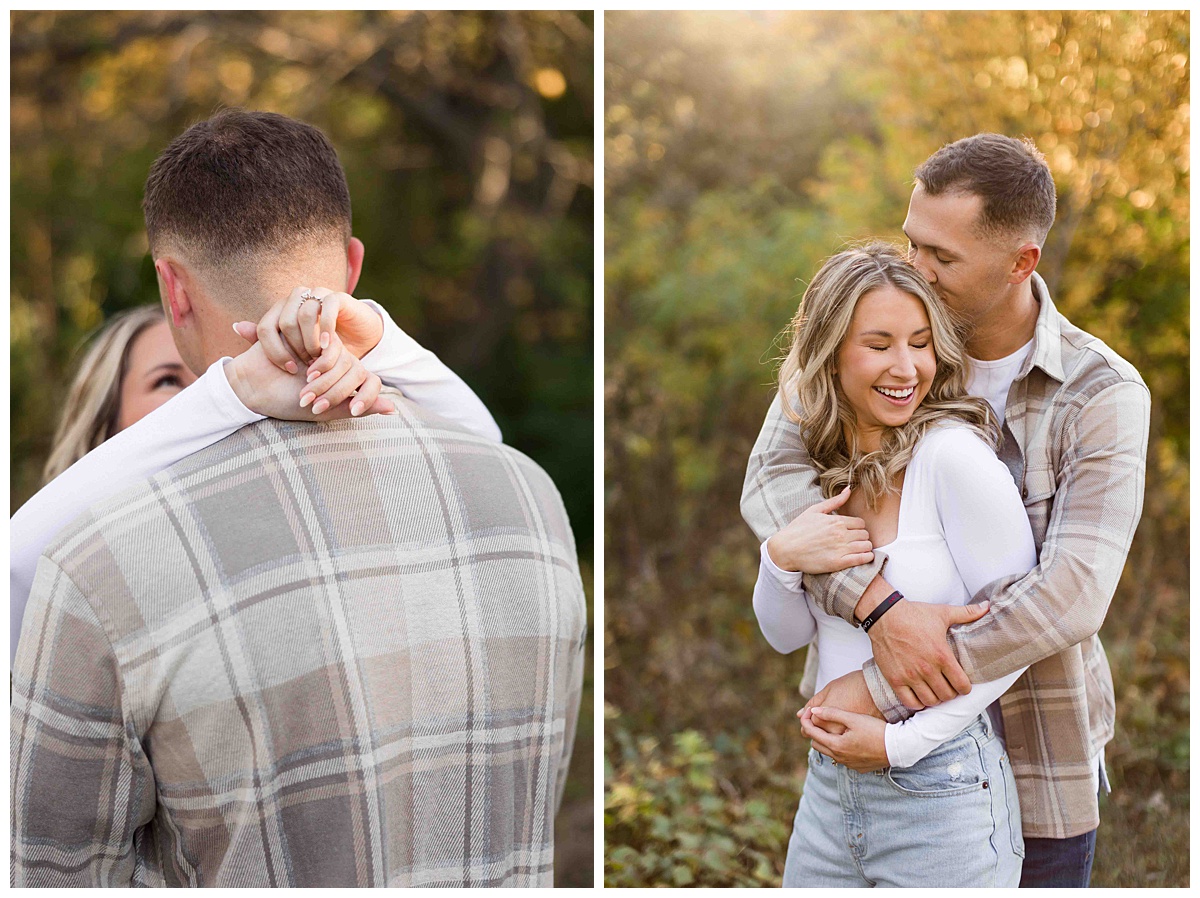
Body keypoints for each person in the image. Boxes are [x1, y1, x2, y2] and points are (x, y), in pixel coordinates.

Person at [10, 108, 587, 887]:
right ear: (351, 268)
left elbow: (51, 869)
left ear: (172, 289)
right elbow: (483, 436)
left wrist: (230, 393)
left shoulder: (103, 563)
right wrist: (369, 340)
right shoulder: (531, 502)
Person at [742, 134, 1149, 887]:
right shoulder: (882, 343)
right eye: (910, 240)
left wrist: (886, 684)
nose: (915, 268)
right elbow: (773, 480)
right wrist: (874, 605)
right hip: (856, 763)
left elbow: (1073, 593)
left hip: (1032, 754)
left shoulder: (1101, 394)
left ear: (1020, 262)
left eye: (941, 257)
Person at [12, 285, 502, 664]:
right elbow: (13, 568)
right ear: (107, 417)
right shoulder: (87, 565)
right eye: (168, 382)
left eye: (214, 378)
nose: (207, 398)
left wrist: (377, 341)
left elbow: (486, 453)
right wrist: (233, 389)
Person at [751, 242, 1033, 886]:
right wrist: (779, 558)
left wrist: (899, 745)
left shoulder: (953, 459)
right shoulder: (820, 470)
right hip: (827, 794)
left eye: (920, 342)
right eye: (878, 344)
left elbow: (1014, 637)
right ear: (829, 352)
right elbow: (786, 635)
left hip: (942, 793)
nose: (906, 367)